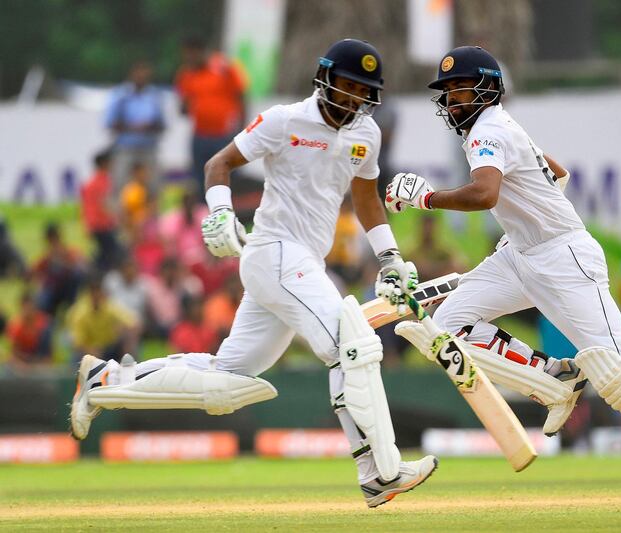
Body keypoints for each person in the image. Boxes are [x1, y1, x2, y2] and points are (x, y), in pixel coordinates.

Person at [70, 39, 436, 508]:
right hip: (276, 253)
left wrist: (390, 259)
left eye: (361, 92)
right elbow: (218, 163)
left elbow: (366, 201)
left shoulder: (367, 135)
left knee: (227, 381)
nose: (351, 99)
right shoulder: (286, 120)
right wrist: (221, 213)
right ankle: (378, 472)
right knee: (351, 345)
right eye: (345, 86)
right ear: (325, 79)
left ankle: (105, 383)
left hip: (301, 264)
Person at [387, 46, 621, 504]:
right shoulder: (496, 130)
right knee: (448, 326)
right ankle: (554, 380)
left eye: (461, 87)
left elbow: (486, 194)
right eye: (447, 91)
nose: (453, 98)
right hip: (520, 255)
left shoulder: (488, 129)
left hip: (562, 257)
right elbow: (558, 172)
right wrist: (531, 220)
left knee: (618, 370)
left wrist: (427, 199)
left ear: (490, 89)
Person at [175, 37, 248, 195]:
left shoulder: (223, 67)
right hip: (200, 135)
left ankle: (229, 214)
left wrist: (243, 130)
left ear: (201, 51)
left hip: (224, 135)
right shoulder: (187, 74)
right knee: (200, 179)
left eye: (191, 54)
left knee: (226, 176)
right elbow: (183, 109)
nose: (188, 59)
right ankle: (203, 215)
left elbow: (241, 96)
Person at [105, 60, 164, 197]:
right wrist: (133, 127)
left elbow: (161, 124)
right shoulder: (120, 95)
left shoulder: (154, 96)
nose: (141, 77)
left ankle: (153, 217)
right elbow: (110, 122)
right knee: (121, 185)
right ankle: (121, 217)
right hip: (125, 147)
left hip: (148, 147)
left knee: (152, 186)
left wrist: (147, 126)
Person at [80, 148, 121, 271]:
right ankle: (91, 270)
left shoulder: (91, 182)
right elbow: (106, 205)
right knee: (112, 253)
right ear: (104, 163)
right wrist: (119, 217)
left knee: (106, 253)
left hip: (96, 225)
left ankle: (93, 270)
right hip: (102, 225)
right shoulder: (101, 182)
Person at [5, 290, 53, 369]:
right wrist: (23, 366)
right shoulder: (15, 325)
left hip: (39, 358)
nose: (29, 310)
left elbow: (47, 352)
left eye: (31, 306)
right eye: (26, 306)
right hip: (23, 360)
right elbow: (14, 353)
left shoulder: (44, 323)